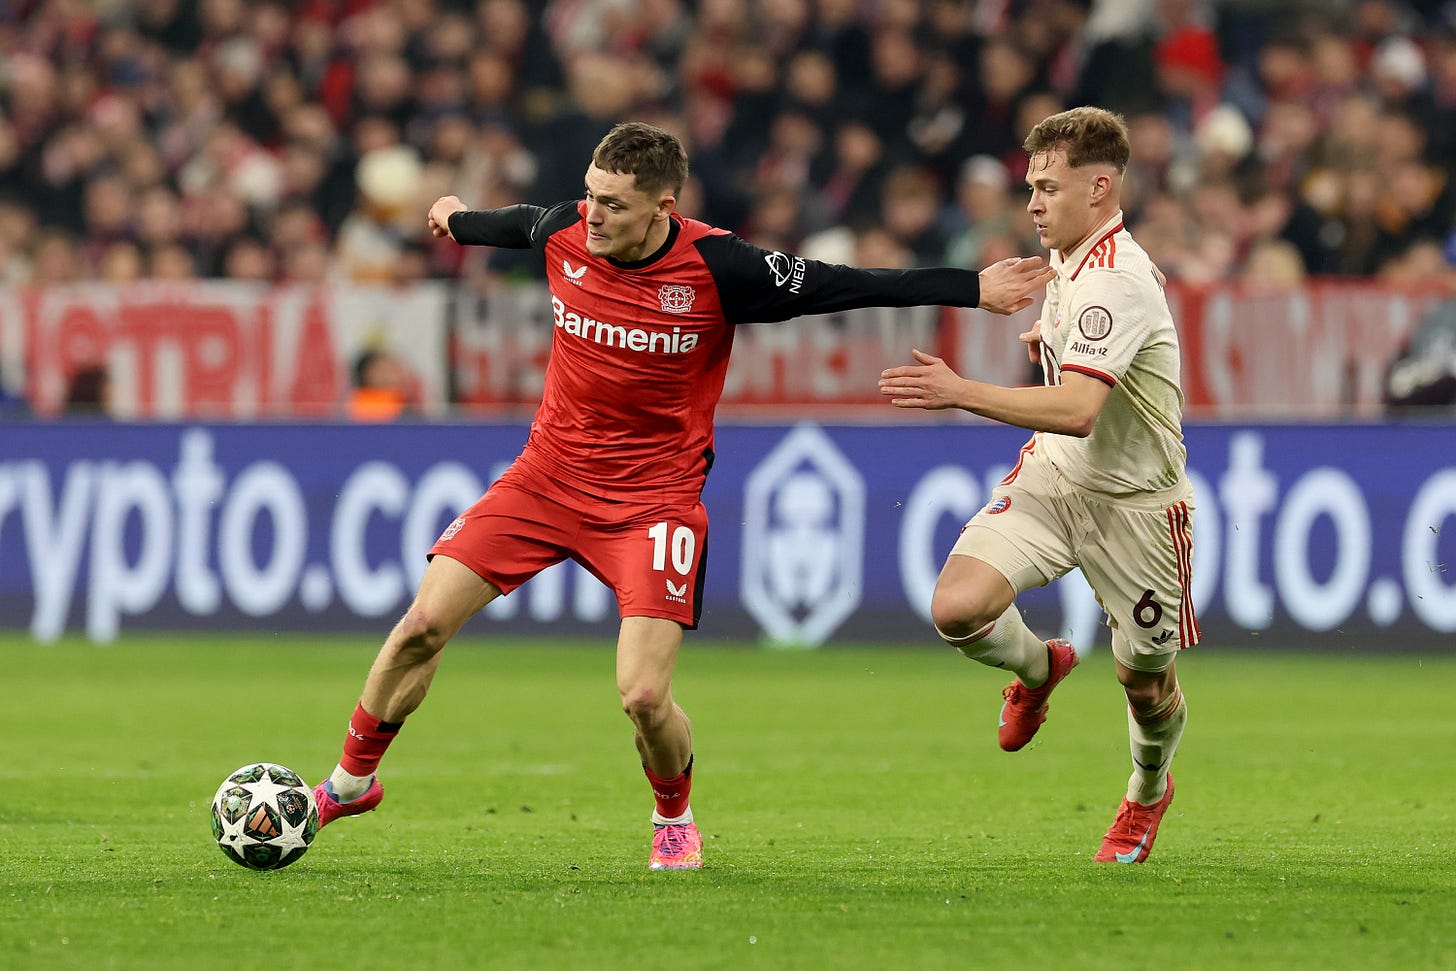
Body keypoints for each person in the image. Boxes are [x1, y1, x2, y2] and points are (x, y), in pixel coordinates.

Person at [312, 121, 1055, 870]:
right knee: (419, 624)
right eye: (590, 196)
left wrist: (969, 289)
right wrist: (453, 217)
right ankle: (350, 780)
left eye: (614, 205)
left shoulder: (720, 266)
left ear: (663, 206)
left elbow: (841, 282)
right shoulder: (567, 229)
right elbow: (511, 225)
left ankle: (674, 814)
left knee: (641, 695)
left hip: (653, 503)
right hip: (544, 479)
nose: (593, 215)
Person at [878, 106, 1198, 864]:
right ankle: (1039, 665)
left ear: (1099, 186)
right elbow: (1077, 380)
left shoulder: (1114, 281)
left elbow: (1080, 409)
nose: (1032, 203)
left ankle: (1147, 791)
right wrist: (1047, 336)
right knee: (956, 608)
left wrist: (962, 390)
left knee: (1145, 687)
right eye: (1030, 186)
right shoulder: (1071, 261)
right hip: (1056, 479)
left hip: (1138, 511)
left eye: (1048, 188)